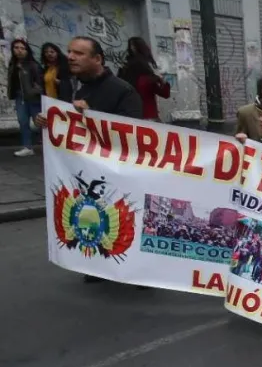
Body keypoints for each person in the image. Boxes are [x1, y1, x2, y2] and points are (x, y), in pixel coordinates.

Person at [34, 36, 142, 284]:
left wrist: (92, 115)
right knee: (93, 217)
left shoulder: (122, 89)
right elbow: (66, 123)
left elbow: (135, 132)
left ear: (97, 59)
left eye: (79, 53)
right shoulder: (74, 86)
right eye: (70, 52)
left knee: (125, 217)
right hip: (90, 170)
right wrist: (46, 121)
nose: (70, 56)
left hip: (120, 171)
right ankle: (99, 266)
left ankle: (139, 274)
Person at [117, 36, 171, 121]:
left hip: (137, 117)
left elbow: (164, 93)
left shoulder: (146, 77)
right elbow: (165, 93)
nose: (132, 49)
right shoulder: (146, 76)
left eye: (133, 47)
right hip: (143, 117)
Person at [7, 38, 43, 157]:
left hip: (33, 98)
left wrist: (33, 92)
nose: (19, 51)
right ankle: (27, 147)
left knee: (39, 123)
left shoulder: (33, 65)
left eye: (22, 48)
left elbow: (40, 84)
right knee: (22, 122)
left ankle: (49, 145)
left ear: (27, 50)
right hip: (19, 98)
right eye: (16, 48)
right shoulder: (12, 64)